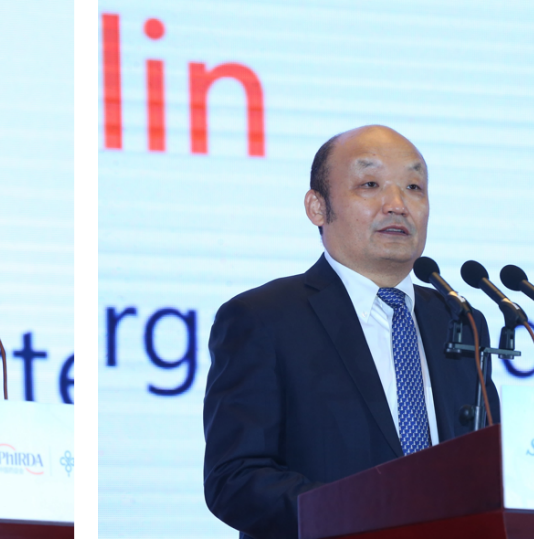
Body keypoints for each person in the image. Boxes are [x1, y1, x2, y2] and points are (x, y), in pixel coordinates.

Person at [203, 125, 500, 539]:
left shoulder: (460, 319)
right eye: (370, 184)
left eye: (414, 187)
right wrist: (367, 513)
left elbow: (483, 465)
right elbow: (235, 480)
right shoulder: (263, 318)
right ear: (317, 208)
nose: (397, 205)